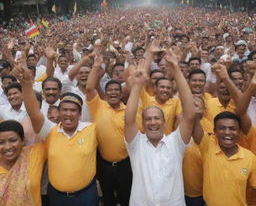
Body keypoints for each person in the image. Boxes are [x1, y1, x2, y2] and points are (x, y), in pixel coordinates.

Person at [14, 63, 98, 206]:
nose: (68, 114)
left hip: (86, 195)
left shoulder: (91, 129)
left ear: (79, 113)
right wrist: (27, 84)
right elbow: (34, 113)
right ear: (58, 112)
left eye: (73, 110)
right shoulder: (50, 130)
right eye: (64, 110)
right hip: (57, 197)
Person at [124, 50, 195, 206]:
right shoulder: (136, 145)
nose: (153, 122)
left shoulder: (175, 143)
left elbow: (189, 115)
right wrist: (136, 87)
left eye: (157, 118)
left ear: (164, 122)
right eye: (148, 119)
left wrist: (176, 70)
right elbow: (129, 121)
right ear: (142, 124)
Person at [85, 54, 132, 206]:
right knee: (108, 199)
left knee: (126, 198)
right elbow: (89, 87)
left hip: (126, 164)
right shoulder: (98, 106)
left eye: (116, 90)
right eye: (110, 90)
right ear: (105, 94)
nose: (113, 92)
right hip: (104, 165)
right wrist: (96, 66)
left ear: (121, 93)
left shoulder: (128, 111)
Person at [192, 111, 256, 205]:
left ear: (239, 132)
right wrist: (195, 113)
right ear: (215, 131)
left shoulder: (250, 158)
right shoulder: (208, 147)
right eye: (222, 128)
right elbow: (193, 124)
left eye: (232, 129)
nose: (227, 132)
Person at [0, 120, 46, 205]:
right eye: (1, 142)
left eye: (13, 140)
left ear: (23, 140)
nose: (7, 147)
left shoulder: (34, 154)